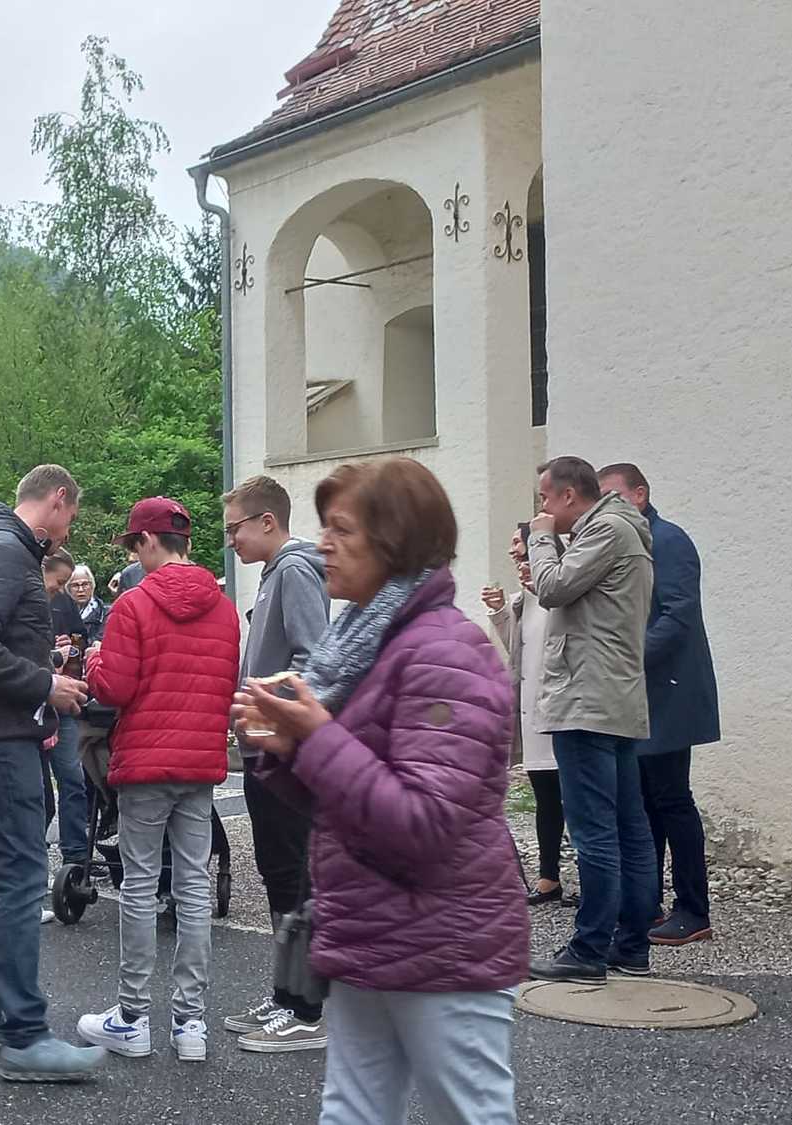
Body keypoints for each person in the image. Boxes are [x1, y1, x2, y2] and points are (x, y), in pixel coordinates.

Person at [234, 457, 527, 1125]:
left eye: (342, 530)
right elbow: (347, 803)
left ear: (395, 543)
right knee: (353, 1112)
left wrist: (314, 738)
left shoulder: (446, 653)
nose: (323, 545)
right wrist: (287, 748)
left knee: (467, 1114)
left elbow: (422, 821)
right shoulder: (361, 643)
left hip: (444, 943)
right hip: (368, 930)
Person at [0, 464, 106, 1082]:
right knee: (22, 874)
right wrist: (44, 684)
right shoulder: (8, 551)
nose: (68, 533)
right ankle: (25, 1036)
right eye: (72, 518)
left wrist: (40, 680)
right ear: (58, 499)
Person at [77, 497, 240, 1064]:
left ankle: (132, 1018)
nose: (134, 555)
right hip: (199, 762)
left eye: (133, 545)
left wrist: (94, 659)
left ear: (148, 541)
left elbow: (114, 689)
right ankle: (191, 1023)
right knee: (193, 885)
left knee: (141, 884)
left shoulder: (134, 605)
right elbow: (224, 684)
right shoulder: (224, 609)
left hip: (146, 761)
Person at [527, 456, 656, 984]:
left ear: (568, 496)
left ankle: (588, 951)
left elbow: (554, 588)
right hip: (615, 697)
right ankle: (631, 948)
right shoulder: (626, 530)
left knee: (596, 832)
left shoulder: (604, 529)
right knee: (630, 829)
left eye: (544, 498)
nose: (541, 508)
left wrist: (540, 540)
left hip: (586, 698)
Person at [219, 474, 332, 1052]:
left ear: (268, 521)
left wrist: (267, 712)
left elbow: (315, 660)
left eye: (235, 528)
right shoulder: (273, 574)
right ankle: (287, 994)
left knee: (293, 874)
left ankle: (307, 1010)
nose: (230, 540)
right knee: (277, 871)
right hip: (264, 748)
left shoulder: (293, 570)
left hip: (284, 752)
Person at [599, 462, 720, 946]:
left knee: (672, 800)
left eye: (614, 497)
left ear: (640, 494)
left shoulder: (667, 540)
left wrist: (625, 658)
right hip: (640, 692)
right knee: (644, 802)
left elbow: (678, 614)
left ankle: (693, 910)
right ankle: (644, 904)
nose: (607, 508)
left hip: (667, 692)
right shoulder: (628, 542)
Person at [484, 528, 566, 906]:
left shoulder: (562, 592)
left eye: (519, 545)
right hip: (532, 710)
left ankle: (595, 883)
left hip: (562, 710)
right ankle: (549, 878)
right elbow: (519, 649)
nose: (514, 554)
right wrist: (501, 611)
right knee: (545, 795)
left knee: (575, 799)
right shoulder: (523, 601)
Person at [41, 548, 90, 870]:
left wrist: (70, 650)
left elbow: (79, 640)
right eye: (60, 582)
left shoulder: (63, 602)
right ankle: (34, 851)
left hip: (63, 702)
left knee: (72, 778)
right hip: (33, 703)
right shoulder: (19, 596)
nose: (62, 589)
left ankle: (75, 853)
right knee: (39, 790)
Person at [66, 565, 110, 642]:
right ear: (68, 588)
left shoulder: (105, 613)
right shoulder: (59, 613)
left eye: (85, 584)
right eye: (75, 585)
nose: (80, 589)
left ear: (92, 586)